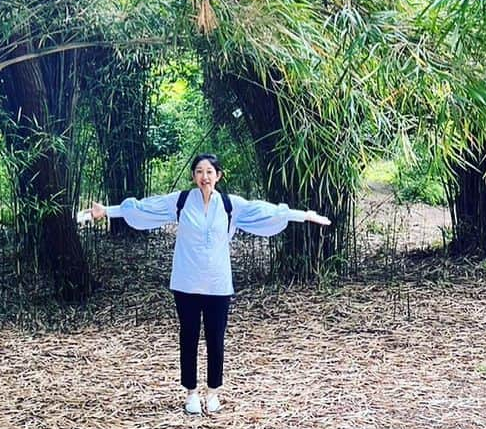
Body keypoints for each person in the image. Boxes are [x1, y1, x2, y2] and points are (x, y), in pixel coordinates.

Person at [90, 153, 330, 414]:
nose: (204, 177)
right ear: (194, 176)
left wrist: (302, 215)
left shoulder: (230, 204)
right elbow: (145, 208)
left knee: (216, 338)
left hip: (218, 284)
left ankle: (213, 392)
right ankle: (191, 393)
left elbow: (265, 210)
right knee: (188, 337)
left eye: (209, 172)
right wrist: (108, 211)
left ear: (218, 176)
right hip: (186, 282)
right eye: (199, 172)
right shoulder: (180, 201)